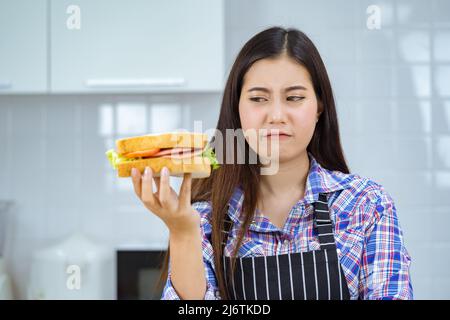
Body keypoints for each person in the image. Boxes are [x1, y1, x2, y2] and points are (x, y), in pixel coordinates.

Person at [130, 26, 413, 300]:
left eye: (294, 98)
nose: (276, 115)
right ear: (237, 109)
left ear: (319, 106)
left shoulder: (366, 205)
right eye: (258, 98)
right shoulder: (205, 218)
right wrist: (181, 231)